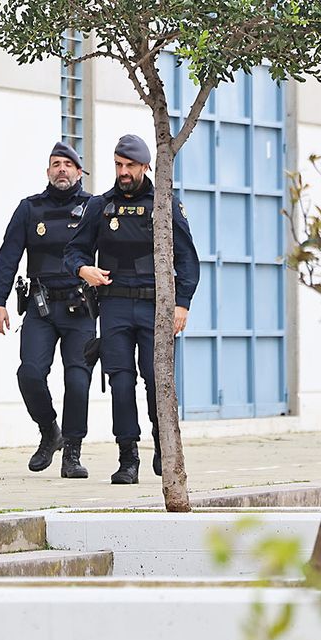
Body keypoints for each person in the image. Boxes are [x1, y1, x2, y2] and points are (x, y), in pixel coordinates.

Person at [64, 133, 200, 485]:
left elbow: (186, 258)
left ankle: (162, 444)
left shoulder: (163, 202)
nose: (123, 172)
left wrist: (182, 304)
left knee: (156, 382)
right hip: (114, 307)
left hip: (156, 307)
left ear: (144, 166)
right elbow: (73, 251)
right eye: (118, 165)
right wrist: (84, 270)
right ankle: (128, 458)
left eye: (129, 166)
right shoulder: (100, 206)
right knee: (120, 382)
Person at [0, 141, 97, 478]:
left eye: (68, 164)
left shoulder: (94, 207)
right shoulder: (30, 209)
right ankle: (50, 431)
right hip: (42, 306)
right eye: (55, 164)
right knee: (29, 374)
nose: (61, 169)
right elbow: (8, 255)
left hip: (81, 307)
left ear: (79, 172)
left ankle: (73, 453)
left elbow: (112, 254)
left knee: (77, 380)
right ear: (48, 171)